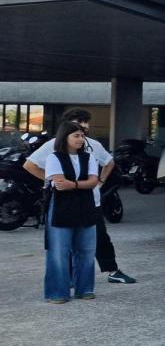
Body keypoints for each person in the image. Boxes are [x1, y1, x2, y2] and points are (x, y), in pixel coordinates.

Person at [24, 108, 135, 285]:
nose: (84, 128)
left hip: (91, 201)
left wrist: (100, 181)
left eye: (85, 124)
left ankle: (112, 271)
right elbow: (30, 165)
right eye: (79, 124)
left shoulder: (93, 145)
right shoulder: (53, 145)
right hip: (65, 202)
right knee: (66, 240)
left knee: (100, 237)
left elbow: (109, 162)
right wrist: (54, 180)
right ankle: (67, 277)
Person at [42, 121, 100, 303]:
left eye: (83, 136)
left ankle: (85, 289)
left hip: (86, 206)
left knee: (86, 250)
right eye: (76, 136)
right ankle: (57, 293)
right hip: (61, 207)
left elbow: (93, 182)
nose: (81, 139)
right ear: (64, 137)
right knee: (59, 251)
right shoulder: (54, 158)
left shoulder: (88, 157)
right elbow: (60, 184)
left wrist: (73, 184)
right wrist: (80, 185)